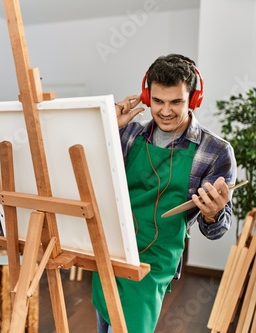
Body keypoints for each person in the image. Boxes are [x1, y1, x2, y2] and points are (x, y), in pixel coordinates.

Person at [91, 54, 237, 333]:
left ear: (194, 99)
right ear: (147, 97)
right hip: (112, 251)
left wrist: (212, 213)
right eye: (158, 101)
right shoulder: (128, 133)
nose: (165, 111)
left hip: (154, 264)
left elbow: (217, 230)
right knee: (105, 320)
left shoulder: (215, 151)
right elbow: (89, 177)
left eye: (176, 102)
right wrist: (106, 128)